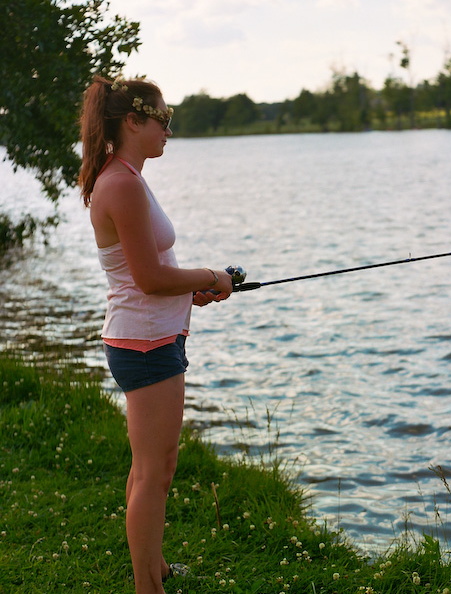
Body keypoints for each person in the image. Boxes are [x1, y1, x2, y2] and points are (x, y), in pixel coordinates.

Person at [78, 75, 233, 594]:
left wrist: (189, 292)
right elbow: (147, 279)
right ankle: (149, 587)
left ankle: (155, 567)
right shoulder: (121, 183)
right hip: (142, 345)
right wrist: (210, 278)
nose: (169, 129)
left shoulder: (127, 176)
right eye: (163, 120)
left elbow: (145, 271)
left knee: (155, 466)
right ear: (133, 122)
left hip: (151, 337)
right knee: (153, 473)